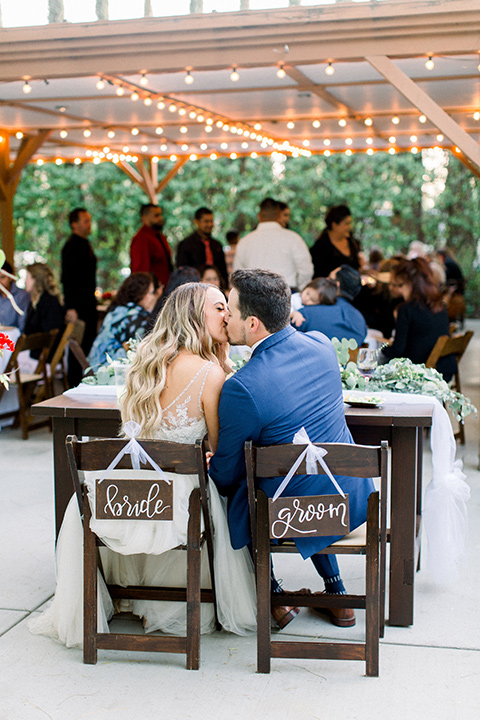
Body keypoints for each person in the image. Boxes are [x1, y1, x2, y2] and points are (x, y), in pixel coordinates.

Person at [29, 283, 256, 647]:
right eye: (218, 308)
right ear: (196, 315)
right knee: (220, 488)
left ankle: (130, 590)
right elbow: (217, 447)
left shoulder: (144, 363)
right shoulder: (210, 374)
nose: (227, 315)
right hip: (178, 495)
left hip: (125, 489)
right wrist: (224, 366)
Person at [209, 269, 375, 630]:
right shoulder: (320, 345)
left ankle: (272, 598)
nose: (225, 317)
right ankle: (337, 594)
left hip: (294, 512)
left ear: (252, 324)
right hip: (350, 496)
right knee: (305, 474)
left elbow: (225, 472)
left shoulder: (242, 386)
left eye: (231, 312)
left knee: (239, 486)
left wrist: (211, 464)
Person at [381, 257, 456, 380]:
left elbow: (398, 351)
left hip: (421, 372)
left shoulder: (406, 309)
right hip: (444, 369)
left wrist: (380, 348)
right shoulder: (439, 304)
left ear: (404, 280)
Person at [233, 198, 313, 291]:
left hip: (254, 295)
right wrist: (300, 290)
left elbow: (237, 275)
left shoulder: (245, 241)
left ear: (259, 216)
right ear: (279, 216)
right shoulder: (293, 238)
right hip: (286, 293)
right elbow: (306, 270)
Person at [87, 272, 157, 368]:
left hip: (94, 364)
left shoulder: (118, 309)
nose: (153, 297)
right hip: (110, 370)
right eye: (151, 293)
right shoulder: (137, 315)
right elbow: (144, 351)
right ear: (141, 294)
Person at [61, 207, 98, 385]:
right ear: (74, 224)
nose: (89, 224)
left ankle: (86, 383)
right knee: (77, 347)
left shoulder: (86, 244)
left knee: (88, 345)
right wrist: (71, 307)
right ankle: (74, 385)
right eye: (85, 221)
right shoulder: (71, 247)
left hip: (89, 304)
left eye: (90, 220)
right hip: (78, 307)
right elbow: (67, 279)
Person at [176, 208, 228, 287]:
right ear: (197, 222)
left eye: (211, 221)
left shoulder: (216, 245)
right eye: (206, 221)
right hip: (194, 288)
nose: (210, 224)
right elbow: (182, 272)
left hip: (216, 288)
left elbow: (223, 271)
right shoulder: (186, 245)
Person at [24, 263, 65, 359]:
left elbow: (50, 336)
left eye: (27, 278)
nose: (25, 281)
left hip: (41, 358)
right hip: (36, 353)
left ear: (36, 280)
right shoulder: (40, 301)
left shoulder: (49, 303)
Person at [310, 204, 361, 278]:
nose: (349, 227)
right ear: (334, 225)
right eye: (346, 224)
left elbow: (356, 268)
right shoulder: (320, 247)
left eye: (350, 223)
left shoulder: (352, 242)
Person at [130, 204, 172, 288]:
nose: (160, 218)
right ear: (144, 218)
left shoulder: (159, 237)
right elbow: (140, 269)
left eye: (160, 215)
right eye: (156, 216)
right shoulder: (142, 239)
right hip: (153, 290)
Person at [0, 260, 30, 331]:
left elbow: (22, 326)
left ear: (11, 277)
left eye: (2, 277)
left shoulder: (22, 296)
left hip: (14, 338)